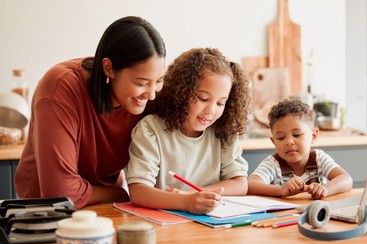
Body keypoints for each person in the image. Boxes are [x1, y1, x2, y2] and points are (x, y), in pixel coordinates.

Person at [15, 16, 166, 209]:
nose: (152, 94)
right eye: (141, 83)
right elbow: (60, 193)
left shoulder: (146, 96)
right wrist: (119, 193)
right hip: (44, 212)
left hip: (107, 205)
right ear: (109, 68)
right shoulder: (60, 87)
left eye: (159, 80)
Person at [127, 48, 251, 214]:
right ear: (182, 91)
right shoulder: (150, 130)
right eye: (203, 99)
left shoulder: (223, 132)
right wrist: (185, 202)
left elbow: (240, 184)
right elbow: (139, 192)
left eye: (220, 103)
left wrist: (192, 194)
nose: (211, 110)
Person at [248, 98, 353, 199]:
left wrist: (326, 189)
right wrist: (281, 190)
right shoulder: (272, 164)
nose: (289, 142)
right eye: (280, 138)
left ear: (313, 136)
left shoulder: (319, 158)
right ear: (274, 142)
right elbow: (251, 185)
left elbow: (346, 179)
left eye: (297, 134)